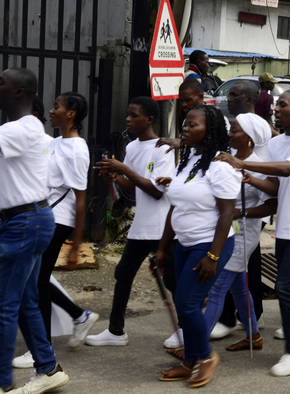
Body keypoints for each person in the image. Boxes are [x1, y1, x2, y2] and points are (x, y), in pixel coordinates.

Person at [216, 90, 290, 377]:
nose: (276, 108)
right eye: (276, 104)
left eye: (283, 105)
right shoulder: (277, 143)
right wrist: (251, 178)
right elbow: (277, 187)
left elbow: (288, 169)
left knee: (286, 288)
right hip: (286, 225)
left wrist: (243, 163)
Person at [156, 105, 241, 387]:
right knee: (184, 304)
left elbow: (227, 214)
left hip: (209, 245)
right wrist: (162, 247)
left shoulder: (220, 166)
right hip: (184, 243)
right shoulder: (190, 158)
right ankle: (190, 360)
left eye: (192, 125)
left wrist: (213, 255)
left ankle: (206, 357)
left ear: (210, 130)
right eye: (185, 124)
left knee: (188, 303)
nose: (185, 129)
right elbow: (175, 206)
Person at [12, 92, 99, 369]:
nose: (51, 111)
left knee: (36, 281)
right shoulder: (56, 142)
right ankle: (78, 316)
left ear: (71, 114)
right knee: (36, 278)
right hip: (44, 215)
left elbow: (81, 197)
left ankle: (42, 347)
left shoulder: (77, 148)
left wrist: (75, 246)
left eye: (56, 107)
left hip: (60, 218)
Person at [0, 67, 69, 393]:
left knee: (4, 305)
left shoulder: (20, 129)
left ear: (18, 92)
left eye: (2, 81)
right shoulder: (22, 128)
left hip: (24, 224)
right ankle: (48, 369)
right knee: (25, 301)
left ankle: (3, 383)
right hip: (30, 220)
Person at [88, 96, 177, 347]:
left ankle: (184, 330)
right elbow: (134, 187)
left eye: (134, 115)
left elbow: (158, 191)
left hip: (162, 226)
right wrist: (116, 177)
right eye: (128, 114)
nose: (128, 119)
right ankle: (116, 332)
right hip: (142, 225)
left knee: (172, 281)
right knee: (123, 273)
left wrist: (125, 171)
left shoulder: (163, 148)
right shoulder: (133, 147)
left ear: (149, 119)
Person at [204, 113, 277, 351]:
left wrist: (240, 212)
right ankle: (253, 336)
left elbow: (272, 204)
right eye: (230, 129)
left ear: (249, 138)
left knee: (216, 289)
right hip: (223, 231)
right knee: (239, 288)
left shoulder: (258, 165)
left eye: (235, 131)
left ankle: (195, 345)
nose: (229, 134)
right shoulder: (224, 157)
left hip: (243, 234)